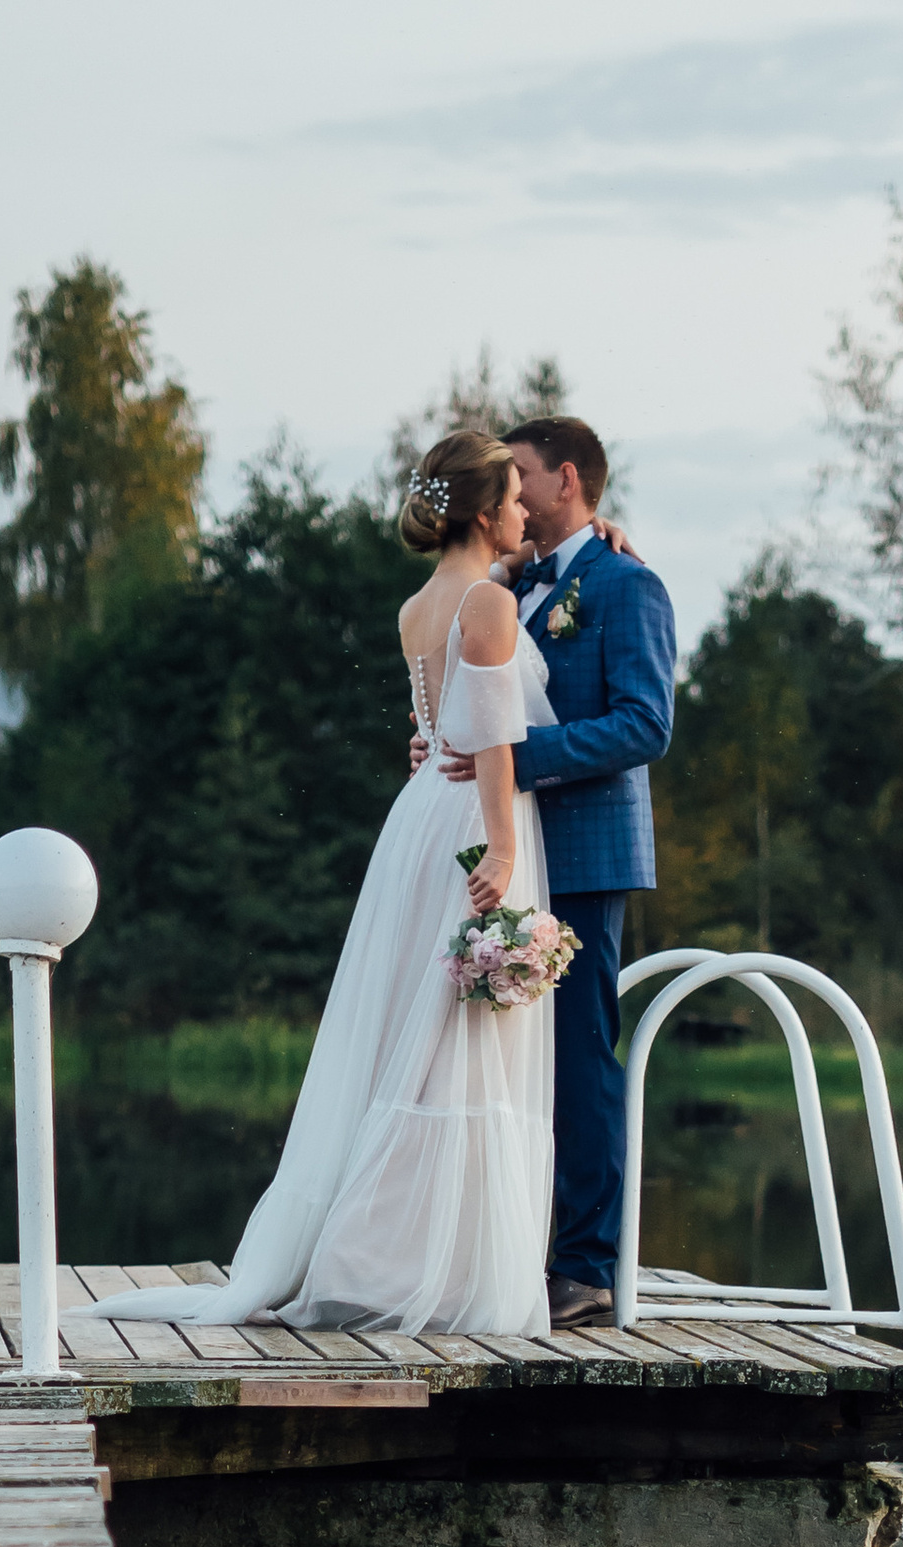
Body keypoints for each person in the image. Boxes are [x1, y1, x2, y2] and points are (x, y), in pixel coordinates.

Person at [91, 426, 564, 1339]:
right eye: (512, 499)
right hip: (474, 820)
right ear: (481, 512)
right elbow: (495, 740)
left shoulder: (420, 606)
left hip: (420, 817)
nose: (524, 513)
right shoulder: (490, 603)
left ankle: (394, 1254)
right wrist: (504, 852)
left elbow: (438, 724)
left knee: (412, 1030)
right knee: (460, 1039)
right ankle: (421, 1267)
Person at [440, 419, 676, 1329]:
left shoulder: (627, 584)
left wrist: (517, 757)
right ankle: (504, 1255)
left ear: (566, 479)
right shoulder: (508, 585)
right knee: (507, 1061)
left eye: (523, 475)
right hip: (514, 851)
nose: (511, 490)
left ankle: (585, 1268)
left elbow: (645, 724)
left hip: (582, 852)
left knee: (579, 1059)